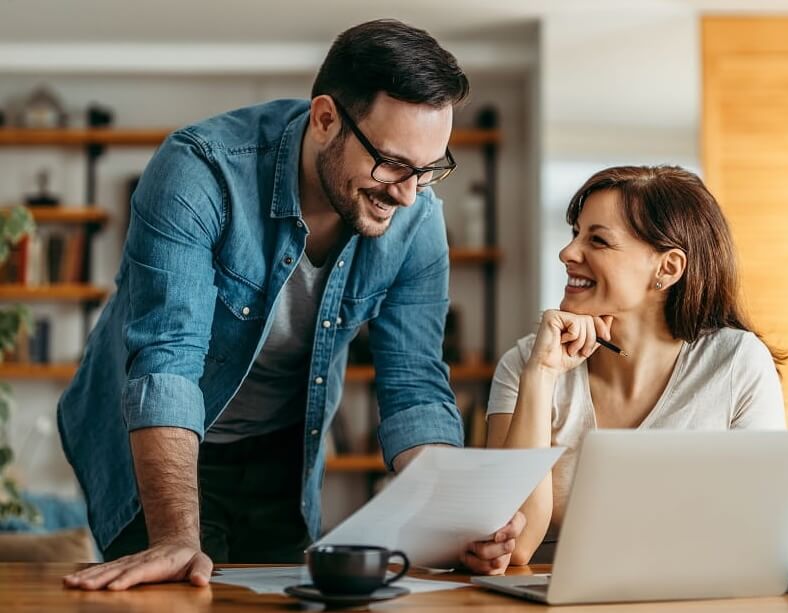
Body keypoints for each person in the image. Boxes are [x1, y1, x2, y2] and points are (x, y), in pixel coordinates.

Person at [59, 19, 521, 591]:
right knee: (175, 595)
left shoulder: (417, 216)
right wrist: (178, 536)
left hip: (281, 454)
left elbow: (415, 386)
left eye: (429, 169)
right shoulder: (199, 171)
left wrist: (458, 523)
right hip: (160, 448)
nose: (407, 193)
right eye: (394, 163)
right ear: (326, 119)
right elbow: (167, 360)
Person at [486, 165, 788, 566]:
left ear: (667, 268)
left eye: (597, 240)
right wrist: (542, 374)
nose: (568, 253)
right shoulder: (527, 363)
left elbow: (761, 551)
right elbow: (517, 547)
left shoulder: (737, 363)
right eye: (575, 234)